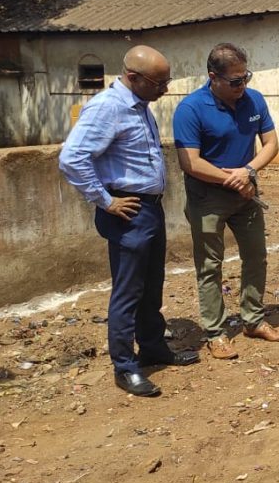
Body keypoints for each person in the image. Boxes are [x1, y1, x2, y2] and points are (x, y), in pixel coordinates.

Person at [59, 46, 199, 397]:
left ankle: (153, 348)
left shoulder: (140, 106)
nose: (164, 89)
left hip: (150, 210)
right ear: (134, 78)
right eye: (159, 82)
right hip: (128, 212)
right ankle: (125, 366)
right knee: (128, 292)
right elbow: (72, 158)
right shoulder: (108, 107)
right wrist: (105, 201)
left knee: (152, 286)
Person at [172, 43, 279, 361]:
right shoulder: (191, 109)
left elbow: (272, 143)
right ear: (214, 77)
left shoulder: (254, 100)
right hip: (208, 197)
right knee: (210, 266)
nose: (242, 86)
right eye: (235, 81)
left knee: (256, 257)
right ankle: (216, 333)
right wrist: (232, 179)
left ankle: (253, 320)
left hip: (246, 193)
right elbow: (190, 163)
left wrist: (249, 171)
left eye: (245, 77)